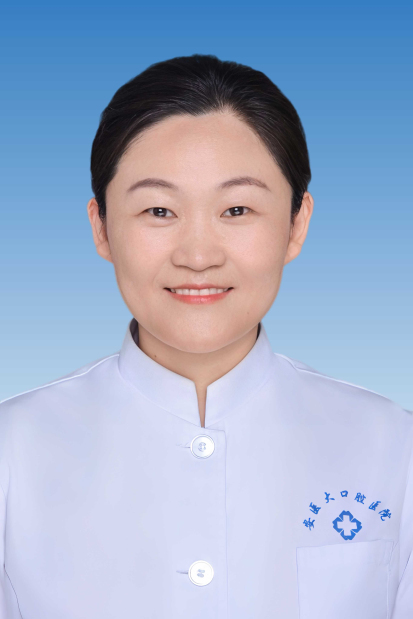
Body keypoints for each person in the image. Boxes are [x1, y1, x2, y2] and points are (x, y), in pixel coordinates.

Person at [0, 53, 411, 619]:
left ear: (297, 224)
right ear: (101, 227)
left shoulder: (393, 446)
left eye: (236, 209)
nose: (197, 256)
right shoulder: (13, 450)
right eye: (159, 210)